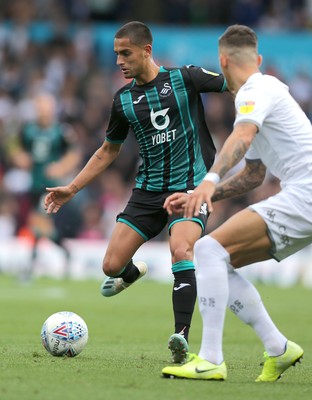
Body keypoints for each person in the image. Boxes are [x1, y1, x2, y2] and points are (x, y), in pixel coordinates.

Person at [44, 21, 227, 363]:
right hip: (147, 192)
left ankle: (181, 336)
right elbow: (107, 151)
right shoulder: (124, 100)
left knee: (181, 249)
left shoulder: (185, 78)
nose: (119, 61)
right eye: (116, 54)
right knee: (111, 265)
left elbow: (234, 85)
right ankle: (132, 273)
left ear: (146, 50)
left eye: (125, 53)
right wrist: (72, 187)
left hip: (190, 186)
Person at [161, 24, 312, 381]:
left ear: (222, 60)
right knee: (218, 264)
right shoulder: (265, 94)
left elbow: (241, 137)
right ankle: (279, 348)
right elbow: (253, 176)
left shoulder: (255, 91)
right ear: (257, 58)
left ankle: (210, 358)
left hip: (306, 195)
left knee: (207, 250)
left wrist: (208, 181)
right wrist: (201, 195)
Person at [12, 92, 81, 280]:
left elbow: (74, 153)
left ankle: (29, 268)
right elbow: (15, 147)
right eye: (39, 106)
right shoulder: (28, 130)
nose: (42, 110)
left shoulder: (61, 130)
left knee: (37, 224)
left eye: (45, 106)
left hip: (51, 187)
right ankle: (65, 251)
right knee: (43, 228)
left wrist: (61, 167)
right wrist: (20, 158)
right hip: (34, 184)